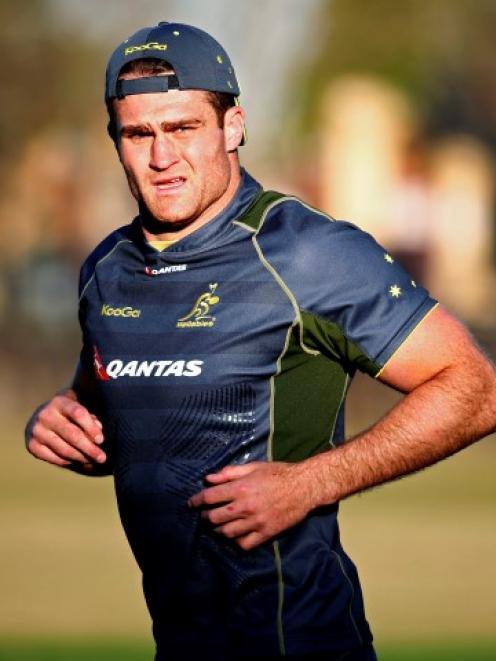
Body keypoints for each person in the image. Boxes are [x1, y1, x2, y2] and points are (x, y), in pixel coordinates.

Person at [25, 21, 496, 661]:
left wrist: (309, 483)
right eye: (139, 134)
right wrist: (63, 416)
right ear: (116, 141)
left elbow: (474, 389)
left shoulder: (308, 252)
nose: (162, 157)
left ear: (232, 127)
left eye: (184, 128)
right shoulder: (105, 270)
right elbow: (111, 395)